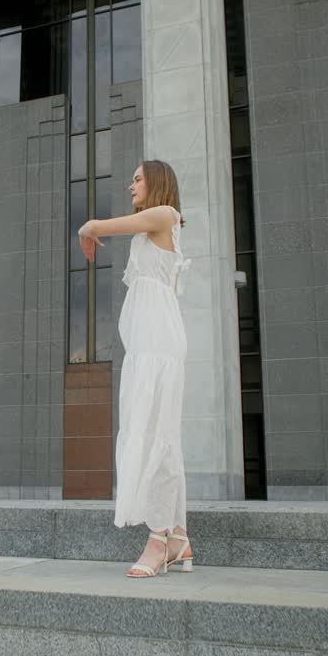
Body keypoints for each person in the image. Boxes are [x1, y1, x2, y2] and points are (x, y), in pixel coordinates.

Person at [77, 159, 193, 578]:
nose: (131, 185)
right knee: (154, 433)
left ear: (157, 182)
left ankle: (158, 540)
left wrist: (88, 226)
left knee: (156, 434)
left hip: (159, 347)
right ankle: (178, 538)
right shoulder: (151, 229)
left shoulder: (165, 215)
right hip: (143, 348)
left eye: (137, 178)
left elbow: (106, 226)